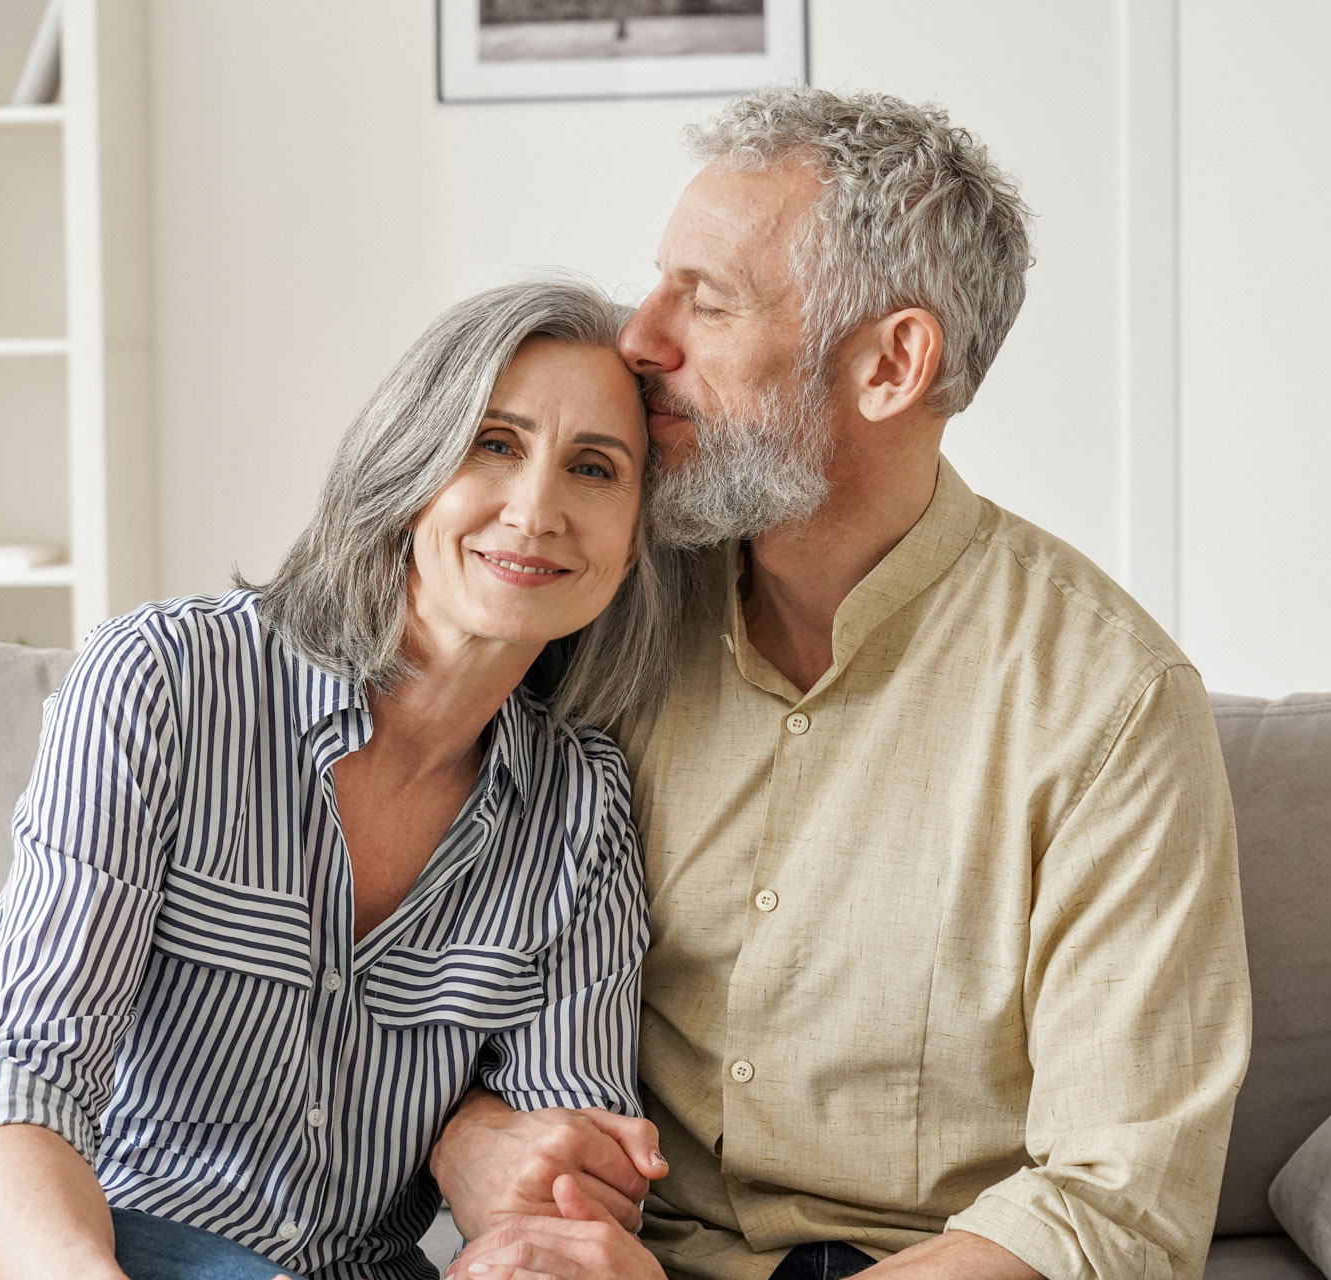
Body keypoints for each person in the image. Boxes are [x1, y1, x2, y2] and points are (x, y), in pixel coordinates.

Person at [431, 87, 1252, 1280]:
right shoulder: (590, 605)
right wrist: (469, 1139)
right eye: (655, 281)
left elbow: (1114, 1202)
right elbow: (390, 974)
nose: (638, 339)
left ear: (890, 363)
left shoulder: (1108, 704)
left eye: (703, 301)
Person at [0, 280, 684, 1280]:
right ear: (409, 463)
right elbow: (18, 1066)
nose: (536, 509)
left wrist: (529, 1212)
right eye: (493, 442)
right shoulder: (166, 679)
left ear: (635, 534)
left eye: (594, 467)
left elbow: (566, 1166)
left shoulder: (582, 807)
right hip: (12, 1238)